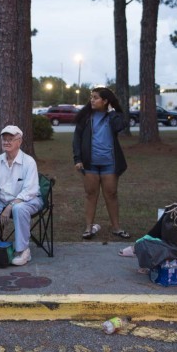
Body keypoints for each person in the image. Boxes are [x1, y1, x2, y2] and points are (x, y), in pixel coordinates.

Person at [0, 125, 43, 266]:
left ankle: (23, 251)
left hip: (29, 200)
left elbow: (30, 190)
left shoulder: (29, 162)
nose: (6, 142)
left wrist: (10, 206)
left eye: (10, 139)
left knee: (19, 208)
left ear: (20, 141)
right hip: (3, 201)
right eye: (4, 139)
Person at [72, 87, 130, 240]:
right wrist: (77, 159)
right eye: (91, 97)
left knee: (111, 194)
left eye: (96, 97)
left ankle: (116, 228)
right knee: (91, 195)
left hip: (109, 163)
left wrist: (111, 112)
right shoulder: (86, 117)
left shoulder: (113, 116)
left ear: (105, 101)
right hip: (89, 163)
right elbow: (77, 138)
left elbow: (120, 126)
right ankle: (88, 228)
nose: (92, 100)